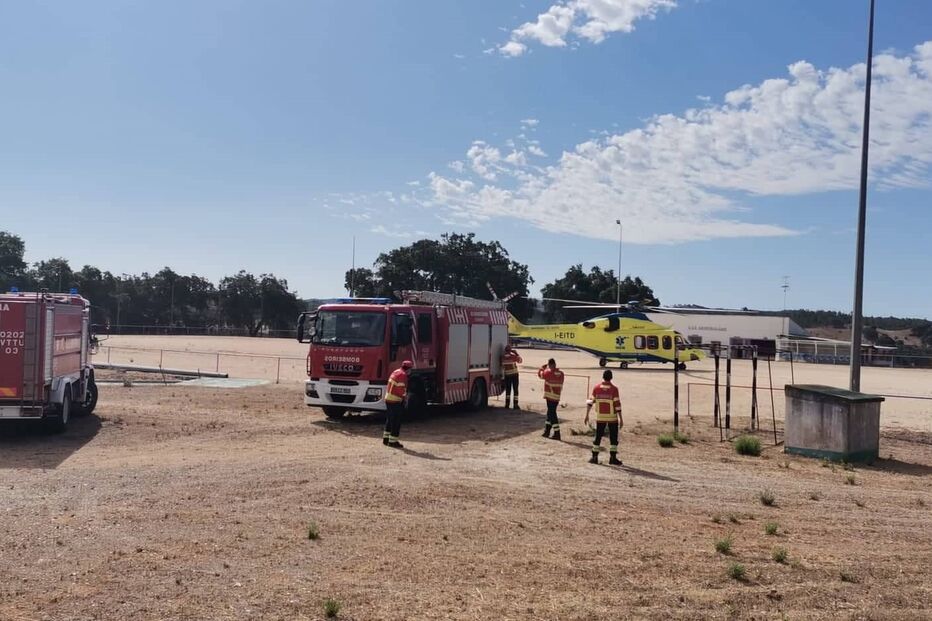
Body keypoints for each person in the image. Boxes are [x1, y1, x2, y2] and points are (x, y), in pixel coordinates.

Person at [585, 369, 623, 465]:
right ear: (611, 378)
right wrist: (621, 418)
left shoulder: (596, 388)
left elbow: (590, 402)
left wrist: (587, 415)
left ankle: (594, 457)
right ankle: (613, 458)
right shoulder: (614, 389)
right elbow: (617, 405)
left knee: (598, 436)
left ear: (603, 377)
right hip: (612, 418)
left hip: (600, 417)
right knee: (613, 438)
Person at [383, 360, 412, 448]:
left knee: (389, 419)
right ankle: (393, 441)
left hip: (388, 398)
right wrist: (405, 397)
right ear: (409, 369)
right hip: (395, 400)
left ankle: (386, 439)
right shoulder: (403, 375)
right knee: (396, 422)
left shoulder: (396, 371)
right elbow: (401, 390)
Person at [537, 358, 565, 440]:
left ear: (549, 365)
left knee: (552, 414)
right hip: (557, 396)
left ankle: (557, 433)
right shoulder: (561, 373)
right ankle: (547, 431)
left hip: (550, 396)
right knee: (550, 413)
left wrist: (542, 368)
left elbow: (540, 375)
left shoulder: (548, 372)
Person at [501, 344, 523, 409]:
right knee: (515, 390)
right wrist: (516, 353)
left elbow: (501, 365)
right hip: (514, 375)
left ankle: (507, 404)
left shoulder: (502, 358)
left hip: (507, 375)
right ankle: (515, 405)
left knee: (508, 390)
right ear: (510, 350)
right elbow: (520, 361)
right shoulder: (513, 357)